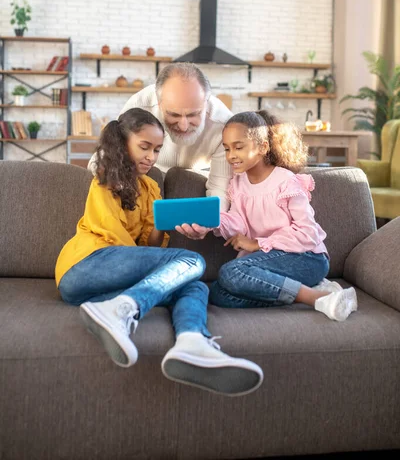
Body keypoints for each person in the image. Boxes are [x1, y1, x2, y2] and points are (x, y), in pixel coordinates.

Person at [57, 107, 263, 396]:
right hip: (85, 265)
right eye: (144, 147)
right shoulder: (104, 180)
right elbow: (112, 236)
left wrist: (165, 226)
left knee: (194, 287)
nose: (151, 157)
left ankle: (193, 343)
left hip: (101, 288)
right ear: (122, 143)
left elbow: (148, 248)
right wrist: (154, 263)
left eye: (156, 150)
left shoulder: (152, 187)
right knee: (191, 260)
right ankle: (122, 309)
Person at [177, 110, 358, 322]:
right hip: (269, 265)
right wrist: (210, 222)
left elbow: (308, 233)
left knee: (231, 272)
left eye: (238, 147)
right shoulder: (237, 184)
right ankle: (301, 291)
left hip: (307, 258)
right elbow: (238, 222)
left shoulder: (286, 182)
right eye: (226, 148)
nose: (231, 155)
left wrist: (257, 244)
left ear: (262, 147)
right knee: (218, 293)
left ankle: (318, 298)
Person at [88, 63, 232, 210]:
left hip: (196, 182)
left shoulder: (224, 124)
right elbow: (105, 157)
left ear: (206, 103)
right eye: (173, 114)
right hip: (147, 176)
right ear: (159, 103)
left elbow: (220, 188)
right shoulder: (140, 105)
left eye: (193, 114)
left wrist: (210, 221)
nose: (183, 126)